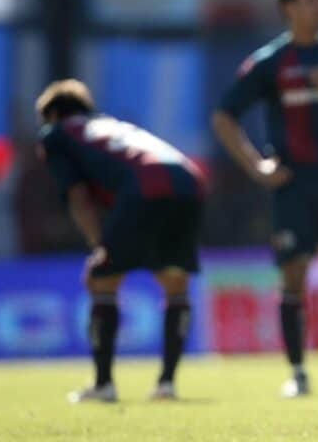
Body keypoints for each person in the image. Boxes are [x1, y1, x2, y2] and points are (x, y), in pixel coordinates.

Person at [211, 0, 318, 397]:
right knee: (294, 274)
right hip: (293, 183)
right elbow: (224, 116)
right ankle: (298, 372)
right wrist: (257, 167)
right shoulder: (271, 62)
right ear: (288, 8)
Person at [36, 79, 204, 403]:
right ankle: (167, 384)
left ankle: (103, 385)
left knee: (101, 280)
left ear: (54, 114)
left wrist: (100, 247)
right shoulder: (113, 125)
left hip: (144, 185)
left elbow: (78, 196)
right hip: (188, 181)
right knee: (174, 281)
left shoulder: (57, 134)